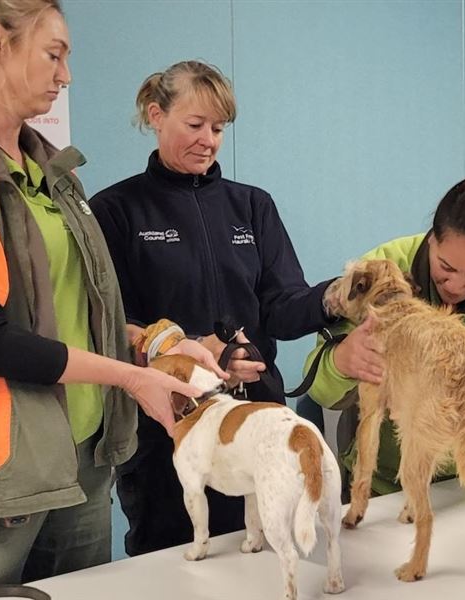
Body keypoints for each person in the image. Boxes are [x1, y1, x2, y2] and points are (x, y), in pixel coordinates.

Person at [0, 3, 223, 598]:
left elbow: (77, 316)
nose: (66, 76)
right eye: (54, 55)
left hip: (78, 464)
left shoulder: (51, 174)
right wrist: (130, 378)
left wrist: (155, 344)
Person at [90, 60, 337, 556]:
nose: (208, 140)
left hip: (256, 421)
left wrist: (334, 298)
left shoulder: (253, 206)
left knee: (268, 551)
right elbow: (111, 324)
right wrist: (200, 350)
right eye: (195, 124)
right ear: (156, 115)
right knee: (177, 561)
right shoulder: (117, 210)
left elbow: (283, 309)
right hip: (168, 428)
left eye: (218, 128)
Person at [305, 166, 465, 496]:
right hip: (387, 487)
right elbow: (318, 387)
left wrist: (433, 409)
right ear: (431, 238)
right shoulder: (380, 270)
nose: (455, 284)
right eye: (446, 267)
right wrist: (341, 361)